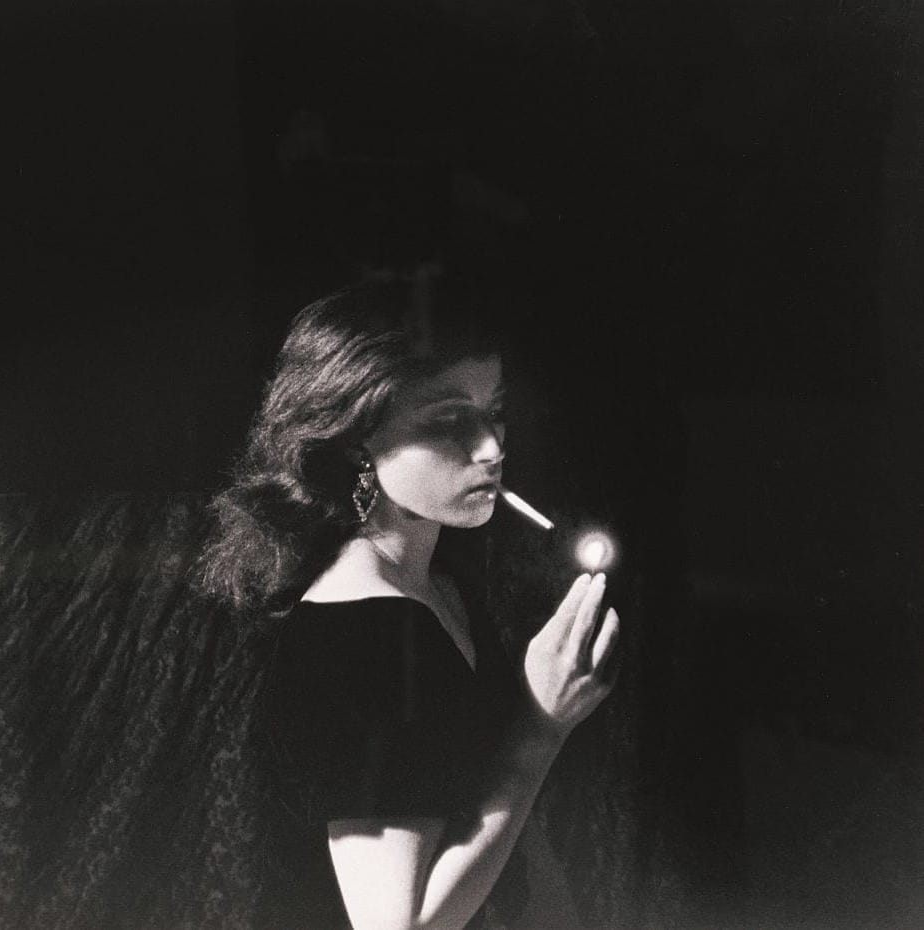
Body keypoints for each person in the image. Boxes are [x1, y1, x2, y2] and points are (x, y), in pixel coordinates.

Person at [196, 276, 620, 930]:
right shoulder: (366, 627)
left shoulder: (437, 578)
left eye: (494, 409)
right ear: (355, 439)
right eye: (448, 418)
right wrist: (540, 728)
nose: (490, 447)